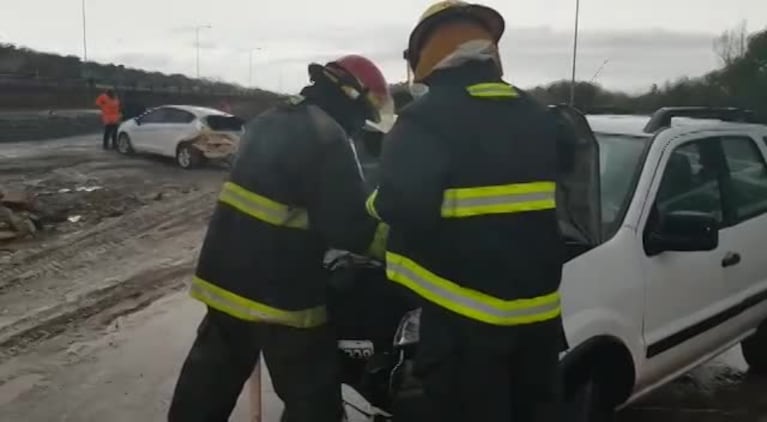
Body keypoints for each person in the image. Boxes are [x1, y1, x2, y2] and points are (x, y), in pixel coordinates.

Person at [366, 2, 568, 421]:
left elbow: (401, 206)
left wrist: (370, 199)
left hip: (466, 324)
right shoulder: (539, 116)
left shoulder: (424, 119)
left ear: (427, 55)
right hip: (540, 320)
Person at [168, 54, 391, 422]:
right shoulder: (328, 136)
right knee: (313, 397)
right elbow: (348, 225)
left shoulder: (271, 118)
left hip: (224, 279)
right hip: (283, 293)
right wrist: (395, 244)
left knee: (208, 383)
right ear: (350, 97)